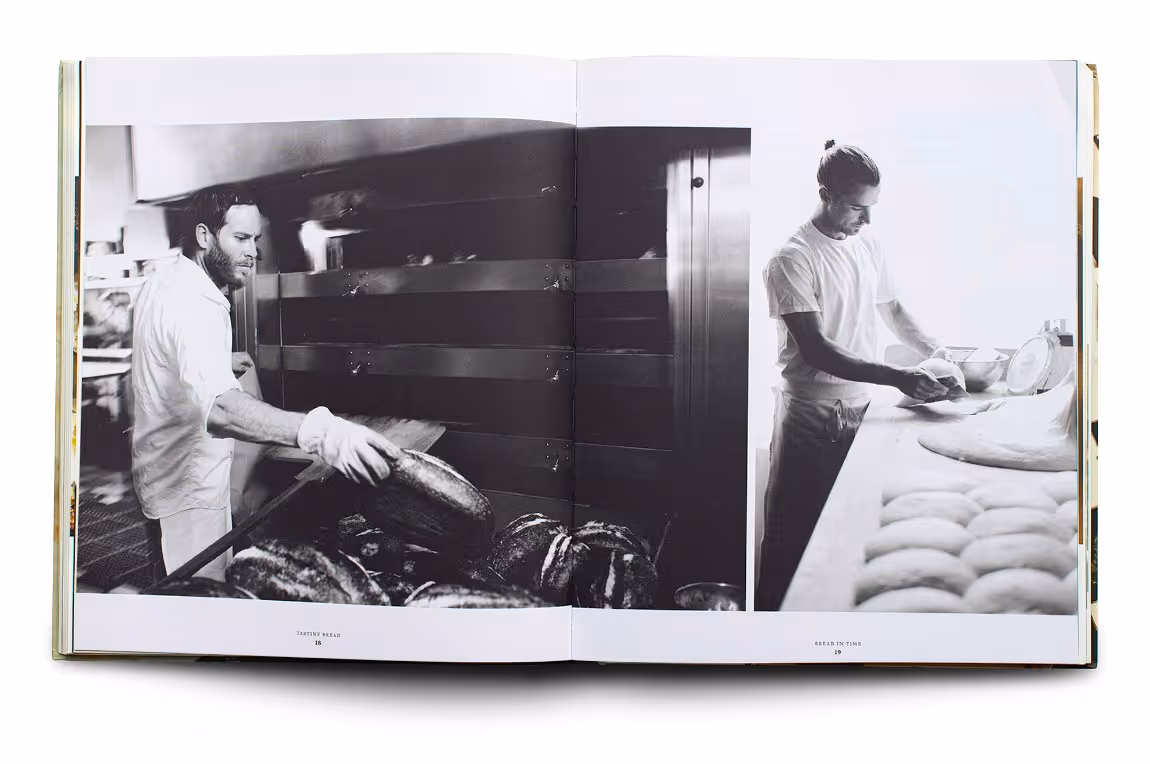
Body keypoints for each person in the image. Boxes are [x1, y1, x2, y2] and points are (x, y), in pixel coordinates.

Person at [131, 186, 399, 582]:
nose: (253, 251)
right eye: (240, 238)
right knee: (199, 607)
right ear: (205, 237)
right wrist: (318, 431)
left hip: (162, 477)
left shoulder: (166, 280)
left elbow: (165, 353)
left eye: (255, 239)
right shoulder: (195, 303)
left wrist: (215, 365)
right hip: (189, 491)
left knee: (172, 586)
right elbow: (220, 409)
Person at [755, 141, 953, 611]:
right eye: (858, 208)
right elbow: (818, 350)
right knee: (794, 537)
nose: (867, 221)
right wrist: (900, 376)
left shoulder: (868, 242)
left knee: (848, 530)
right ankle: (771, 647)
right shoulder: (791, 258)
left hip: (863, 409)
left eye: (873, 208)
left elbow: (893, 308)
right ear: (825, 194)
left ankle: (839, 646)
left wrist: (939, 352)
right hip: (812, 415)